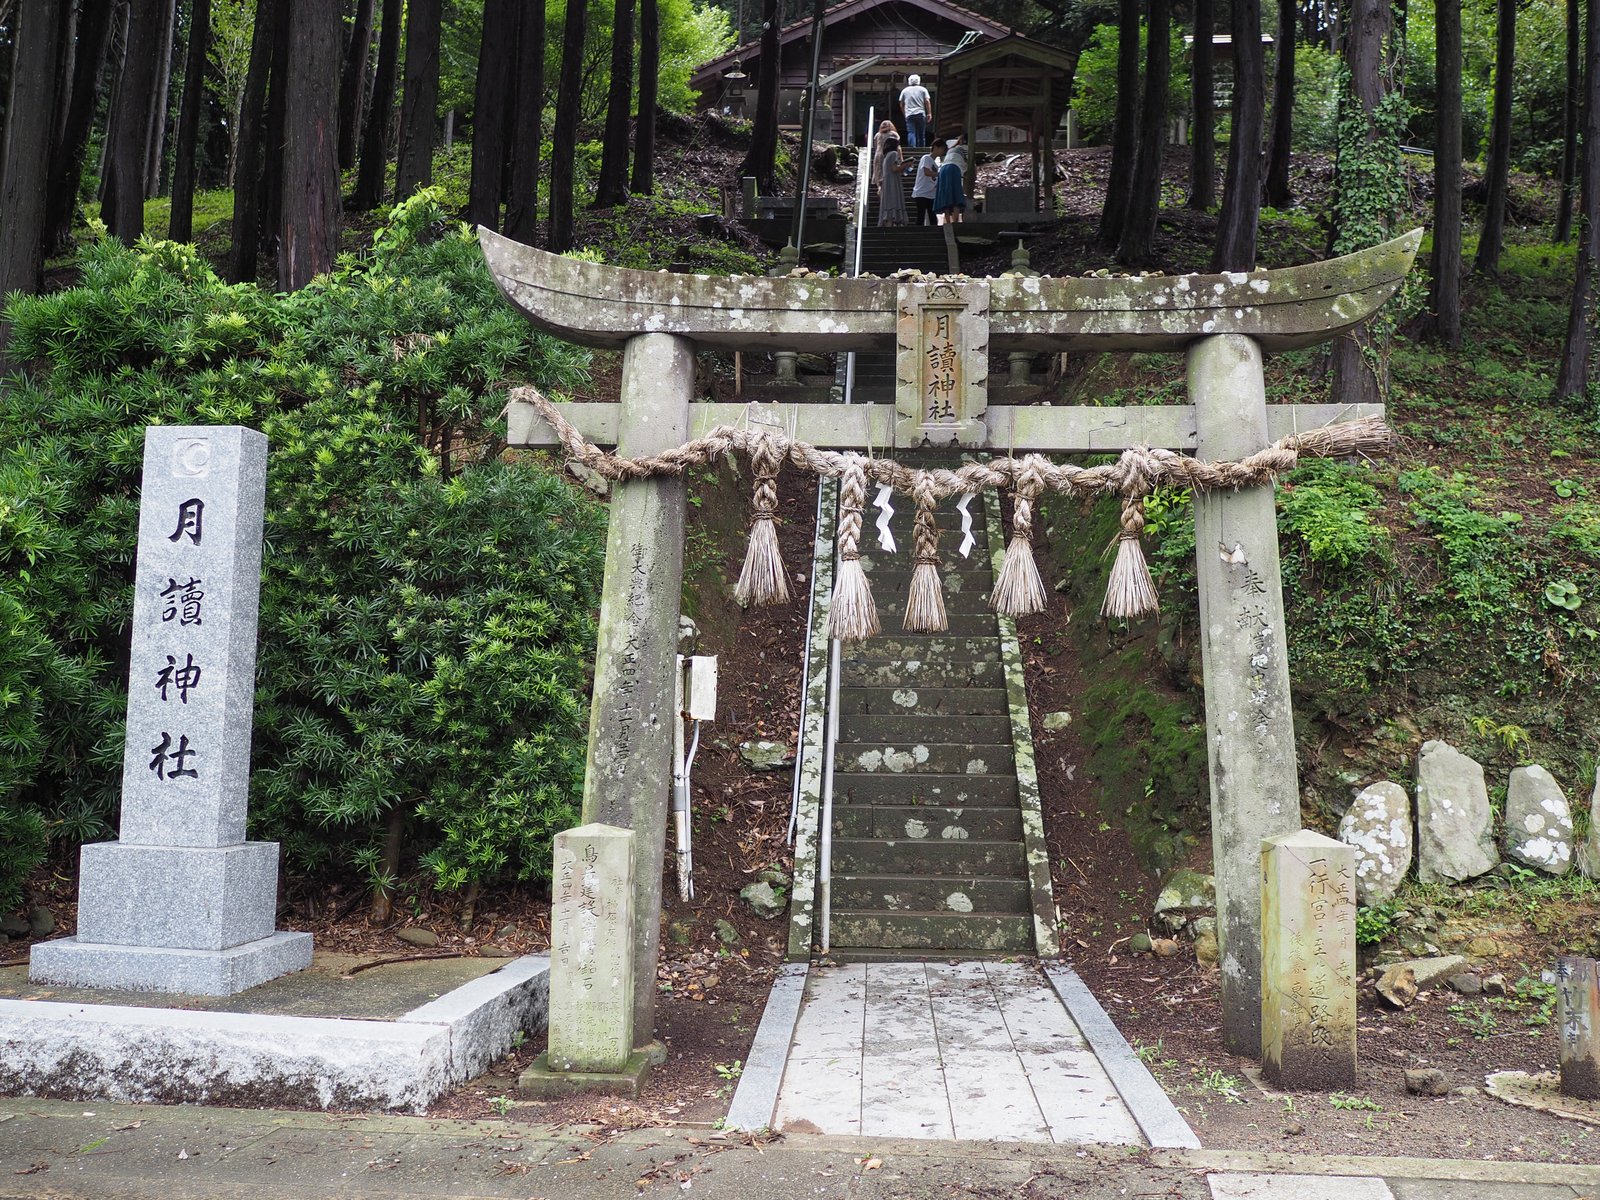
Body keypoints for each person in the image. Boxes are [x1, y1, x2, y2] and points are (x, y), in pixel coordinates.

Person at [877, 134, 909, 226]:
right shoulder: (893, 154)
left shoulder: (886, 156)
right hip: (892, 182)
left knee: (888, 206)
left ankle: (888, 225)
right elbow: (894, 168)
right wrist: (905, 165)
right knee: (893, 202)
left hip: (887, 183)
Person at [912, 139, 944, 226]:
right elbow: (927, 172)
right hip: (921, 192)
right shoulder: (926, 158)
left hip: (931, 193)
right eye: (942, 148)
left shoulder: (936, 165)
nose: (943, 151)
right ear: (936, 147)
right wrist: (941, 174)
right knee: (920, 216)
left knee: (933, 217)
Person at [934, 138, 966, 224]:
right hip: (954, 168)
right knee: (956, 197)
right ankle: (955, 223)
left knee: (946, 196)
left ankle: (948, 222)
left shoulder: (950, 151)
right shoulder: (964, 150)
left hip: (943, 170)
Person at [899, 74, 931, 148]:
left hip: (909, 114)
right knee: (921, 133)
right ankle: (921, 148)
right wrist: (929, 113)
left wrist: (905, 113)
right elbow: (927, 101)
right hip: (920, 113)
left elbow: (901, 104)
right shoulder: (923, 89)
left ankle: (912, 147)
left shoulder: (905, 91)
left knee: (911, 132)